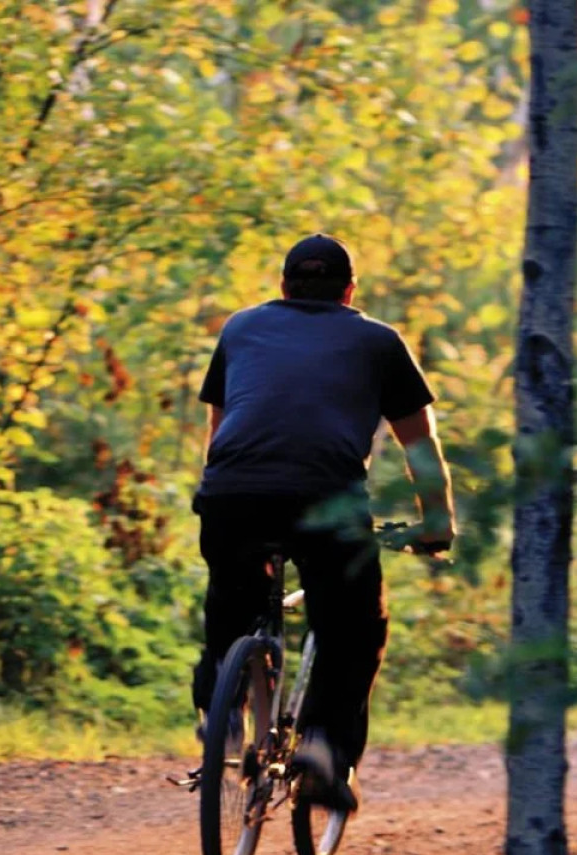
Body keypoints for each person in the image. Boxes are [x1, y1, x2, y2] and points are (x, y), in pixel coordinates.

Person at [192, 233, 455, 813]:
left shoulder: (240, 329)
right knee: (355, 626)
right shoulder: (378, 341)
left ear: (283, 286)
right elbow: (420, 445)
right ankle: (322, 753)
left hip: (231, 493)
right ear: (349, 291)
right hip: (324, 501)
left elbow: (220, 426)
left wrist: (221, 495)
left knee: (232, 598)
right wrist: (435, 524)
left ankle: (220, 706)